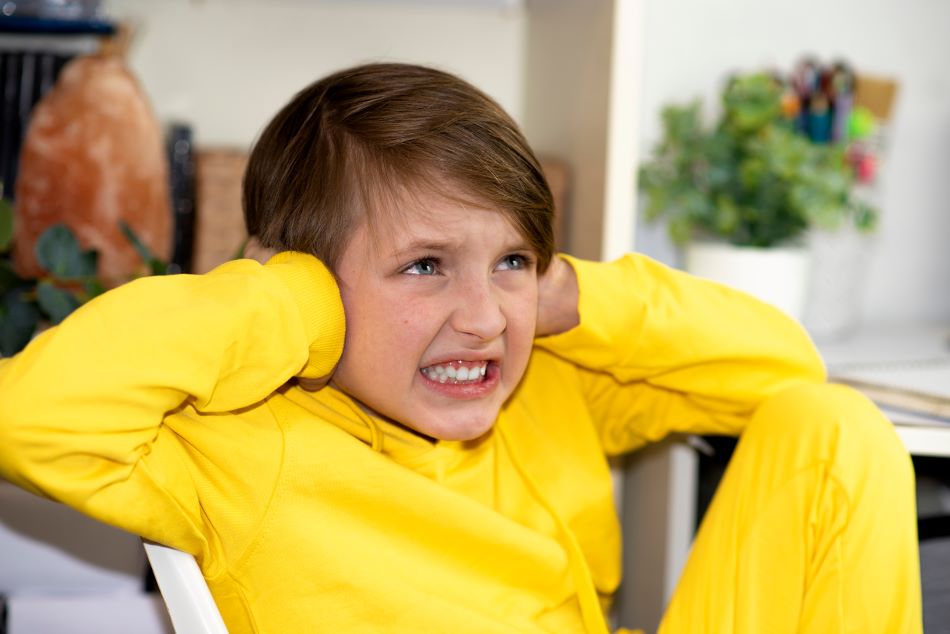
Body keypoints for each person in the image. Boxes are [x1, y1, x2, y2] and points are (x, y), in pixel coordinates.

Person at [0, 63, 921, 633]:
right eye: (426, 265)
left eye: (510, 259)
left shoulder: (543, 385)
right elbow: (27, 418)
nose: (483, 317)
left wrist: (568, 294)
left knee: (834, 425)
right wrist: (289, 304)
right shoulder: (242, 444)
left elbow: (779, 370)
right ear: (310, 286)